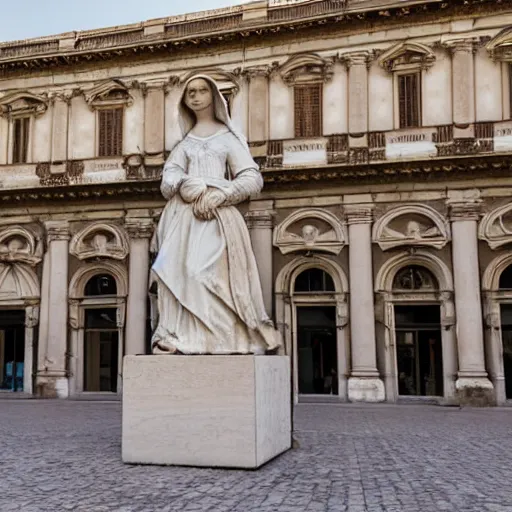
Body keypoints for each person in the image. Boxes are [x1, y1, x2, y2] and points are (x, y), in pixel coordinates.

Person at [150, 74, 282, 355]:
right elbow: (167, 181)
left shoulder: (229, 139)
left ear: (214, 95)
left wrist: (222, 193)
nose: (196, 96)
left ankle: (225, 338)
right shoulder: (184, 145)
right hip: (184, 220)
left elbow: (252, 178)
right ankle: (184, 337)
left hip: (218, 220)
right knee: (176, 273)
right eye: (190, 93)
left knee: (206, 275)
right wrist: (185, 184)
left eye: (201, 91)